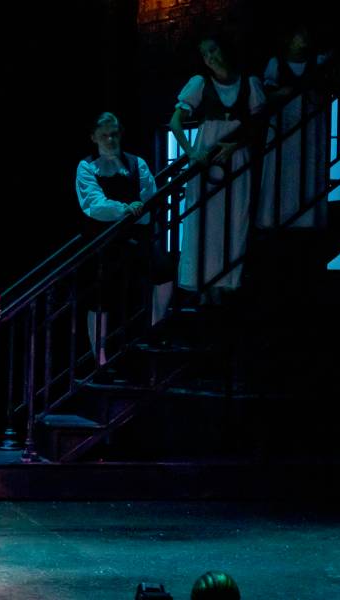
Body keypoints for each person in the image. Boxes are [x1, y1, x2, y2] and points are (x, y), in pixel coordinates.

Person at [170, 36, 267, 303]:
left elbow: (259, 122)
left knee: (236, 212)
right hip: (207, 149)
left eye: (212, 50)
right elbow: (176, 121)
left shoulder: (248, 82)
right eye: (204, 54)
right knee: (205, 215)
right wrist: (192, 152)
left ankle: (228, 280)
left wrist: (235, 145)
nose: (209, 57)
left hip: (235, 154)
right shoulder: (200, 83)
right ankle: (202, 281)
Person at [76, 112, 175, 370]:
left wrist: (138, 212)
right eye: (105, 135)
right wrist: (125, 209)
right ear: (94, 137)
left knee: (163, 269)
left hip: (134, 234)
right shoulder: (87, 166)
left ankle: (155, 327)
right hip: (102, 239)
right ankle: (100, 359)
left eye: (115, 133)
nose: (110, 139)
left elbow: (150, 195)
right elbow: (93, 204)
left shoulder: (135, 163)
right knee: (100, 296)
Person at [258, 24, 329, 231]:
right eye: (299, 34)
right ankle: (275, 215)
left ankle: (307, 216)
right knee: (283, 166)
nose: (304, 38)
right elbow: (266, 95)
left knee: (307, 163)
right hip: (286, 122)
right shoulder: (277, 64)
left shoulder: (318, 62)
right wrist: (283, 94)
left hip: (309, 124)